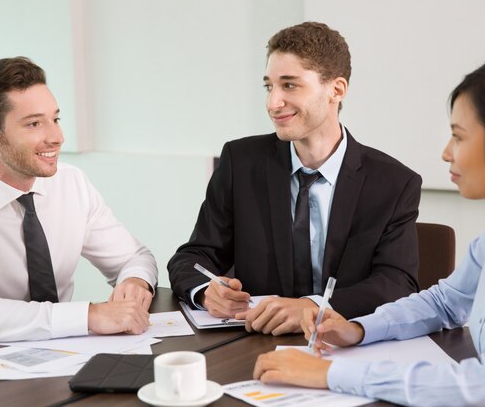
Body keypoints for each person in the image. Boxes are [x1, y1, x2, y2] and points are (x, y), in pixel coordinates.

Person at [253, 56, 485, 406]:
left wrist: (330, 374)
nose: (445, 153)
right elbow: (444, 301)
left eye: (458, 137)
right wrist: (359, 329)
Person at [168, 22, 421, 336]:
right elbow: (192, 257)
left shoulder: (393, 182)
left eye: (289, 85)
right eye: (269, 86)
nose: (272, 103)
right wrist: (207, 290)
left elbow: (397, 283)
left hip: (345, 344)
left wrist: (315, 307)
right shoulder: (240, 162)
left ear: (336, 90)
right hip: (255, 343)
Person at [0, 57, 158, 348]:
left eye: (55, 119)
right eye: (34, 123)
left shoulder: (72, 183)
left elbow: (134, 257)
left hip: (63, 359)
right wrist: (87, 316)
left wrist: (134, 283)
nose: (57, 137)